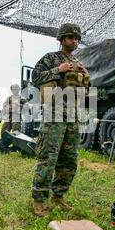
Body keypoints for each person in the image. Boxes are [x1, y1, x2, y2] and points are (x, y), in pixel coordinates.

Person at [31, 23, 90, 216]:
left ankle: (58, 196)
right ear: (62, 39)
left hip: (72, 116)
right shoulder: (51, 58)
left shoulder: (78, 63)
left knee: (69, 160)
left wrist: (85, 77)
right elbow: (36, 77)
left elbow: (85, 91)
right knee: (48, 157)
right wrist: (59, 69)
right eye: (72, 37)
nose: (75, 41)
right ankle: (39, 200)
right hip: (54, 114)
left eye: (77, 38)